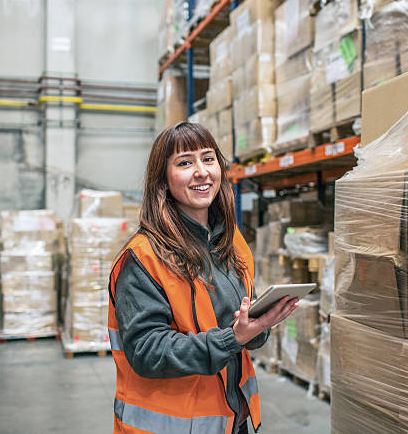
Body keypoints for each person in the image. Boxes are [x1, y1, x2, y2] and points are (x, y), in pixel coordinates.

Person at [107, 122, 299, 434]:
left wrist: (260, 325)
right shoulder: (142, 258)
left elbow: (238, 324)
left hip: (230, 421)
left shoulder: (232, 243)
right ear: (164, 179)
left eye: (208, 159)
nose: (201, 171)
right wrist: (233, 338)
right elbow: (147, 351)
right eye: (185, 163)